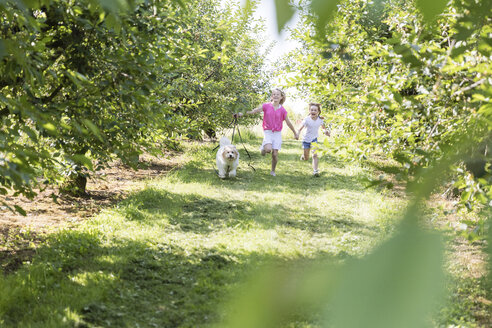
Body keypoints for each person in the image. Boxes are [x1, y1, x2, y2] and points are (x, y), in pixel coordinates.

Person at [236, 88, 298, 176]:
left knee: (275, 154)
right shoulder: (266, 106)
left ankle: (273, 171)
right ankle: (263, 149)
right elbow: (254, 111)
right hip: (268, 131)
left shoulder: (283, 110)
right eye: (274, 94)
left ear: (281, 97)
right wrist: (242, 114)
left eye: (278, 94)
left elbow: (288, 122)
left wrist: (295, 132)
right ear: (271, 96)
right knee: (268, 149)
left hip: (277, 133)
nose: (276, 96)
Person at [297, 102, 330, 177]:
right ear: (309, 111)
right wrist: (298, 133)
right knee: (306, 158)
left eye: (315, 110)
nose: (313, 111)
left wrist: (326, 132)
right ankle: (303, 156)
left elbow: (323, 129)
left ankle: (315, 171)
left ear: (318, 112)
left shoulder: (320, 120)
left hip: (314, 139)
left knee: (315, 155)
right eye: (311, 110)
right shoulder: (306, 120)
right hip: (306, 140)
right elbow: (300, 128)